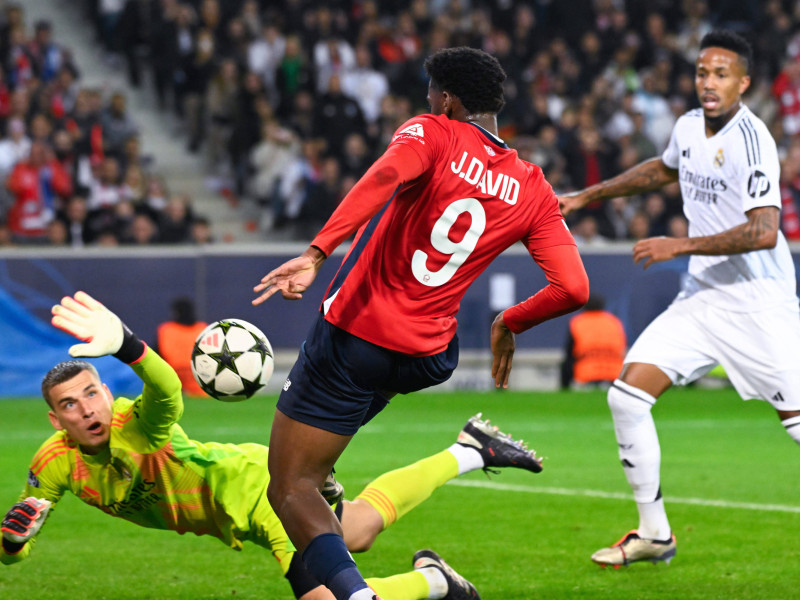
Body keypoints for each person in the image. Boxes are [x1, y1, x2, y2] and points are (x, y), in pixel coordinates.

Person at [252, 47, 589, 600]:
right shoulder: (533, 186)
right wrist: (510, 321)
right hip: (427, 355)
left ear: (447, 98)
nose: (429, 101)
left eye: (432, 92)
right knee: (329, 472)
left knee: (290, 487)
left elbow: (385, 175)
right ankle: (352, 482)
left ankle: (359, 595)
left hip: (358, 334)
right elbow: (573, 287)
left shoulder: (433, 132)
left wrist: (317, 252)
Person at [1, 291, 547, 600]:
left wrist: (125, 344)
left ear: (105, 391)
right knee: (357, 528)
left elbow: (167, 388)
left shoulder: (133, 424)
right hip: (234, 509)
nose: (88, 409)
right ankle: (471, 449)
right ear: (55, 418)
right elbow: (18, 546)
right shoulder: (52, 465)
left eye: (92, 392)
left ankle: (434, 584)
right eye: (71, 405)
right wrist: (9, 543)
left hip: (261, 493)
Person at [559, 30, 800, 567]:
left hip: (758, 299)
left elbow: (763, 230)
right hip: (704, 296)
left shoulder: (753, 139)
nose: (708, 83)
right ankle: (655, 534)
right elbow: (664, 169)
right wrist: (589, 194)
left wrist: (680, 244)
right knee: (626, 396)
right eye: (701, 72)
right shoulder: (689, 126)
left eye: (720, 74)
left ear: (744, 82)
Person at [560, 293, 626, 390]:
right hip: (615, 372)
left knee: (565, 364)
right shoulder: (614, 322)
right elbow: (622, 349)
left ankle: (564, 392)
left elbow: (570, 353)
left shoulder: (578, 322)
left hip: (586, 371)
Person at [156, 297, 207, 396]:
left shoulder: (166, 330)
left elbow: (156, 358)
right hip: (201, 386)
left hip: (172, 387)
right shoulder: (203, 329)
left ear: (176, 313)